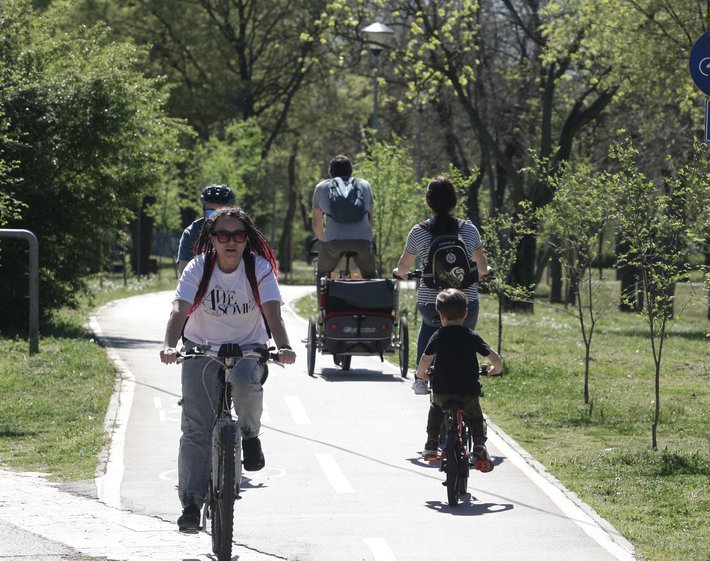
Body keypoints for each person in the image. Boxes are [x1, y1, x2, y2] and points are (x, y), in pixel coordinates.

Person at [159, 206, 297, 533]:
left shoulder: (258, 268)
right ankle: (191, 505)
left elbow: (273, 313)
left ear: (246, 238)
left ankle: (249, 436)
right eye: (223, 235)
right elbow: (179, 309)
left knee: (249, 383)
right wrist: (169, 344)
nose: (230, 241)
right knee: (195, 427)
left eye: (238, 235)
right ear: (212, 239)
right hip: (200, 348)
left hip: (248, 346)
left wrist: (285, 345)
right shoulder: (198, 267)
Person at [393, 175, 490, 395]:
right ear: (454, 201)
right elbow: (482, 266)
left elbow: (404, 265)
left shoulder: (418, 231)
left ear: (429, 202)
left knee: (428, 329)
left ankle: (420, 380)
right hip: (466, 302)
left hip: (431, 302)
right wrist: (484, 273)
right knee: (466, 338)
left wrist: (399, 274)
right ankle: (473, 382)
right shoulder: (469, 229)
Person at [414, 288, 502, 471]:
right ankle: (478, 445)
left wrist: (420, 375)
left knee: (436, 411)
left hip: (442, 392)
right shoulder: (471, 336)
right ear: (466, 313)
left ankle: (431, 443)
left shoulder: (438, 335)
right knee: (477, 420)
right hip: (467, 392)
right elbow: (495, 359)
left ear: (440, 314)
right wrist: (495, 370)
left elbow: (425, 359)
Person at [311, 154, 377, 282]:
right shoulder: (365, 185)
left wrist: (324, 239)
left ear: (331, 172)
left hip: (334, 242)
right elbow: (369, 219)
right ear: (351, 171)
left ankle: (323, 302)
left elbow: (317, 223)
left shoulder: (321, 187)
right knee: (370, 274)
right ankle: (371, 300)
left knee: (322, 274)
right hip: (362, 241)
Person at [177, 184, 237, 277]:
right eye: (210, 212)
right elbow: (185, 275)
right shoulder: (191, 233)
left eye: (222, 213)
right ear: (203, 210)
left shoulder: (242, 232)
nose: (215, 218)